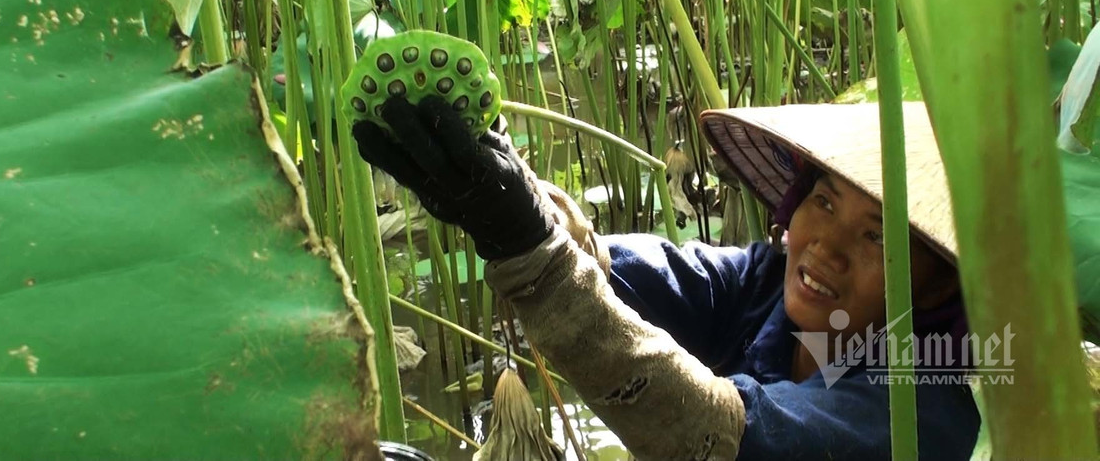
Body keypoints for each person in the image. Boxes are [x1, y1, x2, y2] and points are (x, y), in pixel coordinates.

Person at [352, 96, 980, 460]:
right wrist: (520, 211)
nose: (826, 248)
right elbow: (639, 278)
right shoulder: (766, 289)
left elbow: (722, 434)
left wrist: (539, 261)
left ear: (937, 285)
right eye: (822, 201)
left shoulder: (929, 399)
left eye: (878, 236)